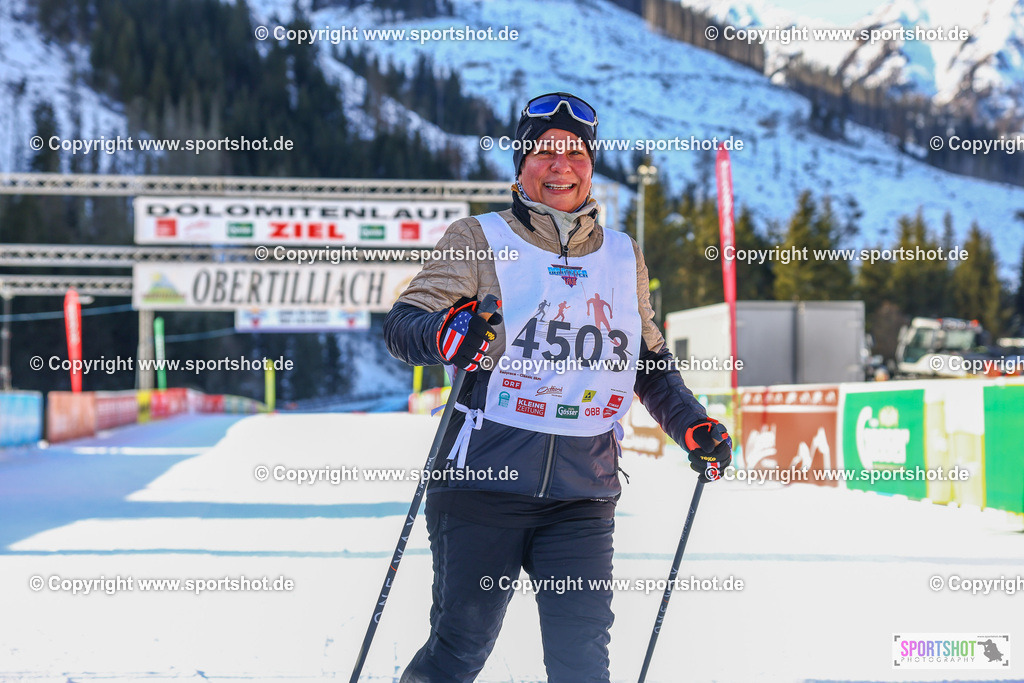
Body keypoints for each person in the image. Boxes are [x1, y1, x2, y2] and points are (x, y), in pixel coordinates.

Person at [383, 92, 732, 683]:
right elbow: (403, 324)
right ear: (521, 164)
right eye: (545, 152)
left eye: (575, 153)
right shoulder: (478, 238)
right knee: (460, 649)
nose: (560, 165)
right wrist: (445, 333)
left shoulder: (622, 255)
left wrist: (691, 423)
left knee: (582, 665)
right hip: (482, 487)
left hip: (582, 496)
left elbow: (647, 360)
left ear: (591, 166)